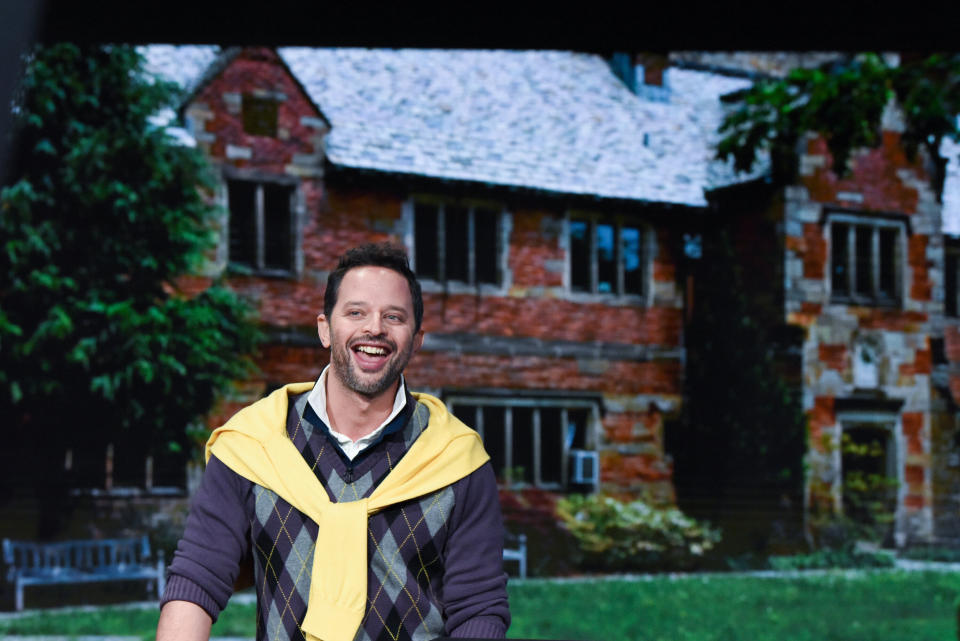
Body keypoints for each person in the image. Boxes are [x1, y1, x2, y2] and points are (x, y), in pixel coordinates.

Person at [156, 242, 510, 641]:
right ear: (325, 329)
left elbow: (478, 609)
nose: (374, 328)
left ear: (417, 339)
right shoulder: (251, 445)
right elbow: (197, 580)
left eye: (393, 316)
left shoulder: (457, 459)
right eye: (355, 312)